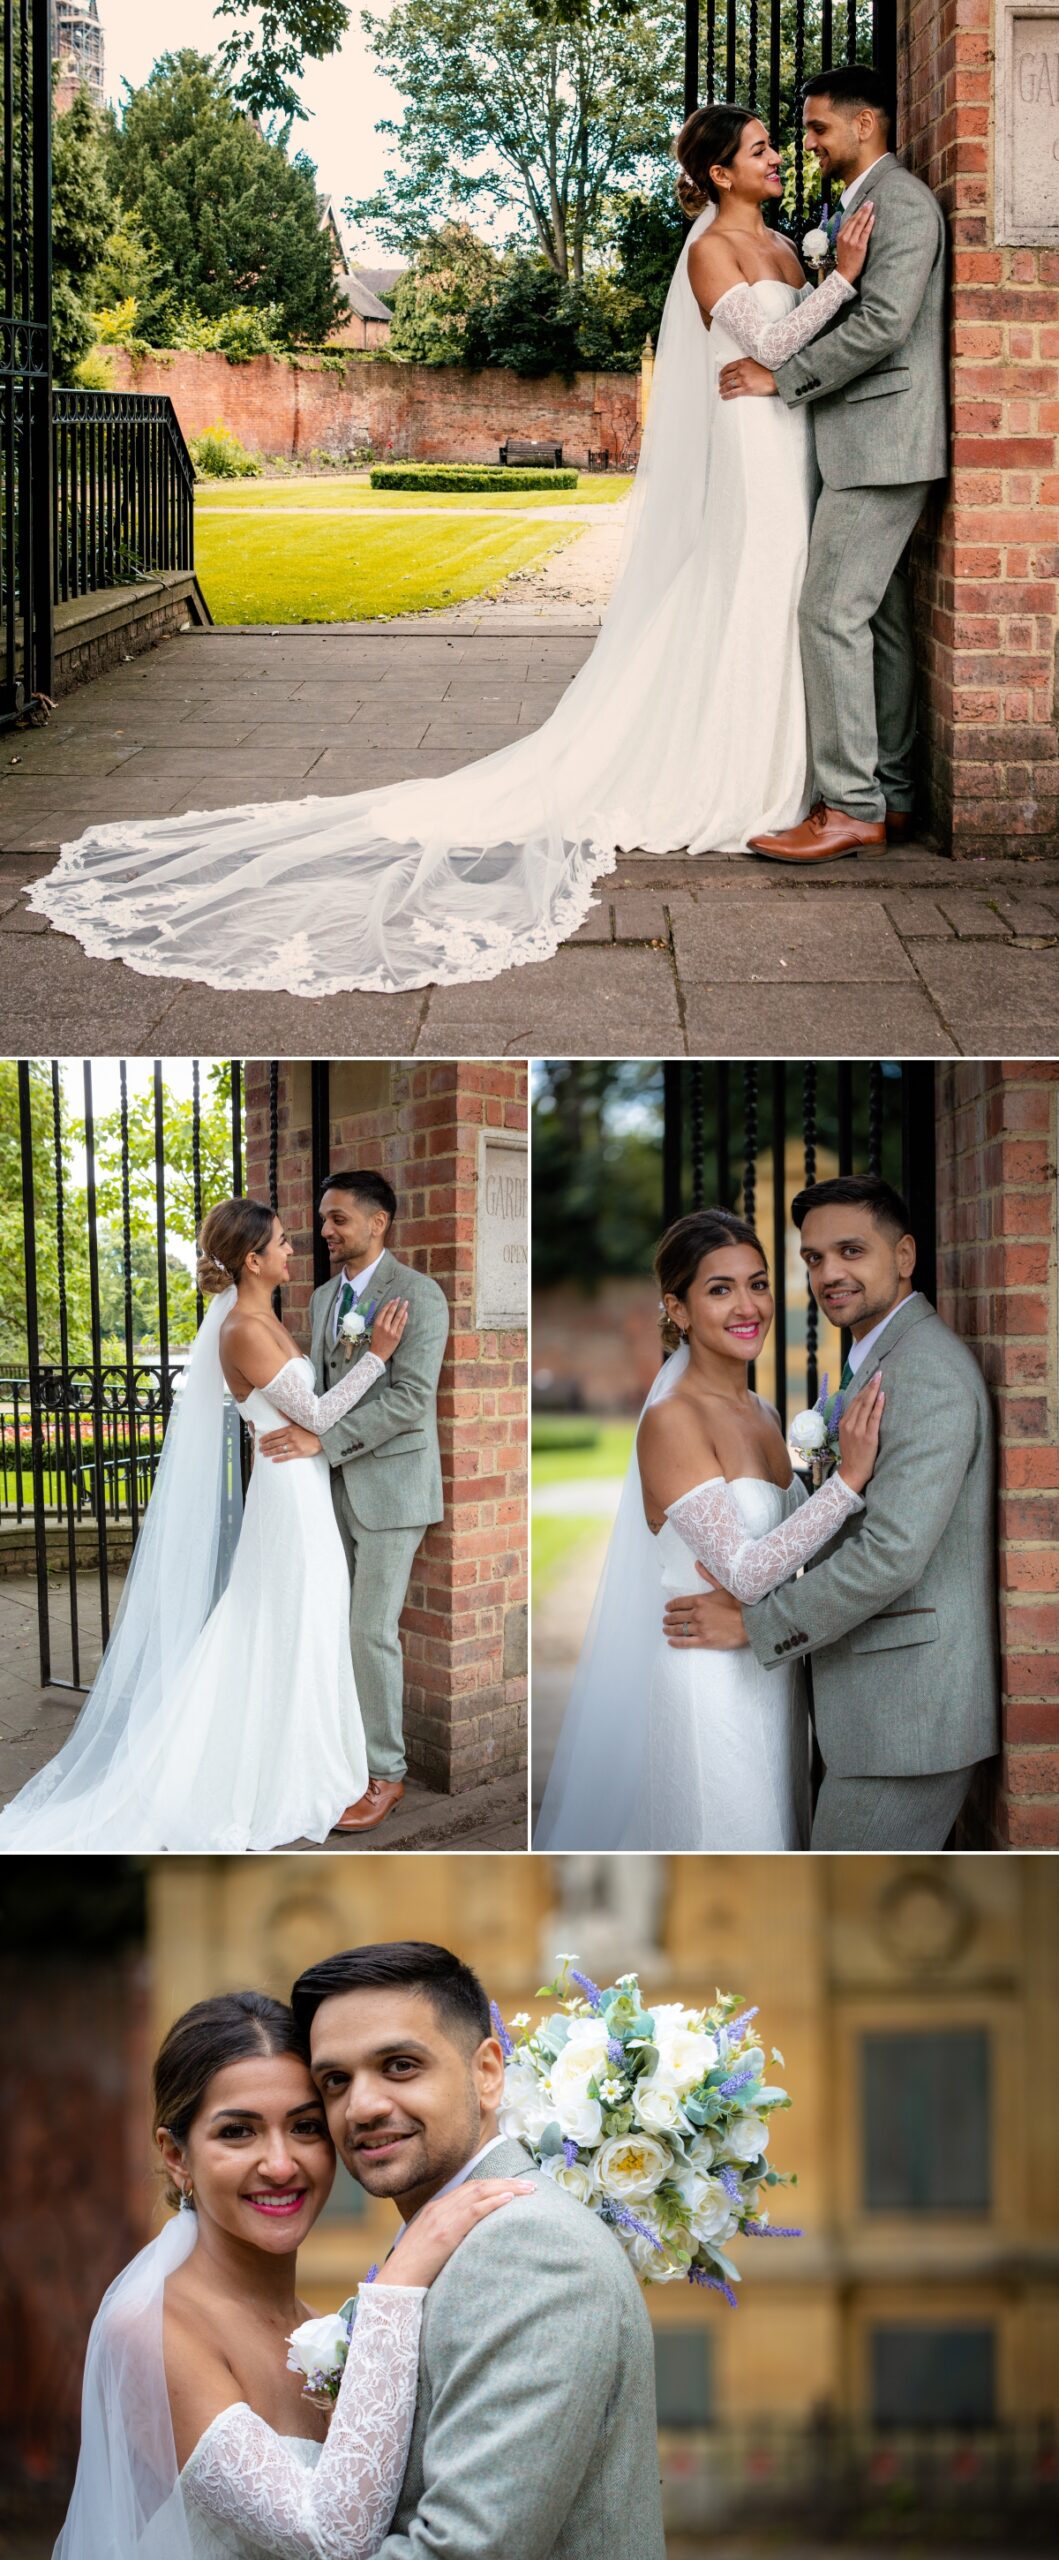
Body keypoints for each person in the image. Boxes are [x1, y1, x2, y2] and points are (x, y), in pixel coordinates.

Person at [25, 106, 874, 997]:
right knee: (753, 586)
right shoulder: (711, 253)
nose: (779, 157)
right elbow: (772, 340)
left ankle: (793, 768)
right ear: (715, 173)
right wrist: (843, 279)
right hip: (751, 447)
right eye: (759, 151)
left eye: (777, 147)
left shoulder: (788, 246)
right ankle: (745, 776)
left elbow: (795, 351)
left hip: (790, 436)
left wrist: (821, 285)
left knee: (789, 596)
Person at [55, 1989, 531, 2559]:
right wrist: (397, 2285)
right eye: (237, 2132)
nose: (280, 2165)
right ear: (177, 2155)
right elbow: (331, 2540)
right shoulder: (150, 2331)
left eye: (305, 2127)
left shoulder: (318, 2328)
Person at [0, 1199, 411, 1853]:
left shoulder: (262, 1318)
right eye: (280, 1243)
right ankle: (261, 1772)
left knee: (303, 1622)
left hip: (301, 1488)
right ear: (252, 1260)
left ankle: (313, 1762)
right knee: (287, 1622)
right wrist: (378, 1355)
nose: (292, 1250)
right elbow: (320, 1414)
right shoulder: (242, 1330)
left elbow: (303, 1418)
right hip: (288, 1501)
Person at [291, 1939, 666, 2559]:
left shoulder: (531, 2251)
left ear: (487, 2072)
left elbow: (462, 2550)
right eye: (335, 2081)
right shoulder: (452, 2238)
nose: (361, 2107)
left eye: (400, 2065)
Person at [662, 1178, 1000, 1849]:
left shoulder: (924, 1373)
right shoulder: (875, 1361)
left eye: (850, 1250)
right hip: (870, 1710)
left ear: (903, 1255)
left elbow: (891, 1553)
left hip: (905, 1720)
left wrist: (756, 1626)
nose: (827, 1273)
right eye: (813, 1258)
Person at [533, 1208, 883, 1851]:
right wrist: (846, 1484)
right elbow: (747, 1571)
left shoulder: (764, 1412)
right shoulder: (673, 1420)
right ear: (679, 1308)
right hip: (707, 1677)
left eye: (757, 1283)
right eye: (719, 1289)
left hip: (768, 1668)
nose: (747, 1305)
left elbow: (787, 1546)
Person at [728, 65, 948, 862]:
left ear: (865, 125)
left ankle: (850, 804)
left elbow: (886, 323)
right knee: (878, 622)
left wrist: (781, 378)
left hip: (882, 443)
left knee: (827, 614)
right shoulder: (855, 207)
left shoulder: (904, 204)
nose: (808, 143)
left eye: (818, 127)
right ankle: (885, 795)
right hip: (865, 441)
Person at [255, 1174, 450, 1836]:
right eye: (322, 1221)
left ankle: (386, 1775)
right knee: (326, 1624)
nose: (326, 1231)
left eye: (338, 1219)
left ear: (378, 1223)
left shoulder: (419, 1296)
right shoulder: (321, 1296)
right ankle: (340, 1755)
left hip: (392, 1491)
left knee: (369, 1631)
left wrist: (322, 1440)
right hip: (326, 1488)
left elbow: (410, 1398)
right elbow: (319, 1385)